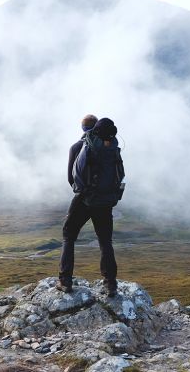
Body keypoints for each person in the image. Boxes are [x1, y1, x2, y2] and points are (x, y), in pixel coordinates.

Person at [57, 115, 121, 297]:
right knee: (105, 241)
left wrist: (84, 192)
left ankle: (65, 281)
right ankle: (110, 284)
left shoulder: (77, 147)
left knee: (68, 235)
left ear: (83, 128)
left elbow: (72, 178)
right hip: (105, 202)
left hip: (84, 199)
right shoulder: (113, 148)